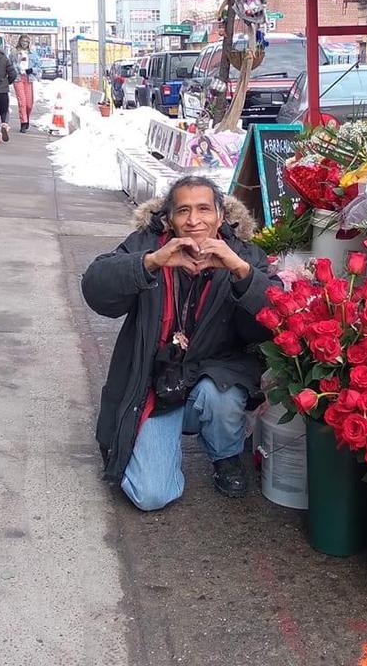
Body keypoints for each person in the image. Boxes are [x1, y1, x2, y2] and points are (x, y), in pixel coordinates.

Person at [81, 176, 278, 511]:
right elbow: (95, 288)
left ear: (220, 214)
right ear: (169, 218)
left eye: (204, 209)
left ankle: (226, 455)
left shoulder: (243, 253)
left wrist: (241, 273)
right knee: (151, 495)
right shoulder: (149, 244)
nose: (193, 220)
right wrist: (151, 262)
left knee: (221, 396)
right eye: (183, 210)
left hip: (213, 380)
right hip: (155, 384)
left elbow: (276, 318)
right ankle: (149, 442)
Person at [12, 34, 36, 133]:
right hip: (18, 78)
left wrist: (32, 70)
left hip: (28, 79)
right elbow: (10, 65)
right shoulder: (14, 52)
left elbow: (39, 66)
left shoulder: (32, 54)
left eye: (26, 41)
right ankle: (23, 122)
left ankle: (27, 118)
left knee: (29, 104)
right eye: (23, 41)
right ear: (20, 41)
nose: (24, 43)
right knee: (22, 101)